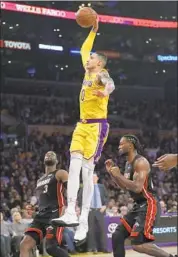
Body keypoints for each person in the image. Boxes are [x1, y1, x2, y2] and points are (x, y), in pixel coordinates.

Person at [52, 15, 115, 243]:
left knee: (88, 173)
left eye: (92, 58)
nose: (87, 59)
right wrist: (93, 30)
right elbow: (84, 48)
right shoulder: (87, 71)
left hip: (97, 128)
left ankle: (84, 221)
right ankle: (71, 211)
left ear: (99, 62)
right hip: (81, 126)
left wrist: (105, 91)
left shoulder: (100, 74)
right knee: (73, 163)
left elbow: (111, 83)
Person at [105, 135, 177, 257]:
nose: (119, 147)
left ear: (130, 145)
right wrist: (114, 174)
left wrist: (119, 175)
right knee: (117, 234)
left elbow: (137, 187)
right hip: (138, 205)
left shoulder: (141, 162)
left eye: (122, 144)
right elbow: (124, 186)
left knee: (138, 245)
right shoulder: (128, 164)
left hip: (149, 204)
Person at [20, 151, 69, 257]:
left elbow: (72, 190)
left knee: (51, 248)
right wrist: (34, 208)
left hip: (55, 213)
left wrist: (69, 208)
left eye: (52, 154)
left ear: (56, 161)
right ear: (43, 161)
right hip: (41, 216)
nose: (49, 155)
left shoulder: (60, 173)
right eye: (47, 154)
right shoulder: (39, 180)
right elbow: (43, 202)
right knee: (24, 244)